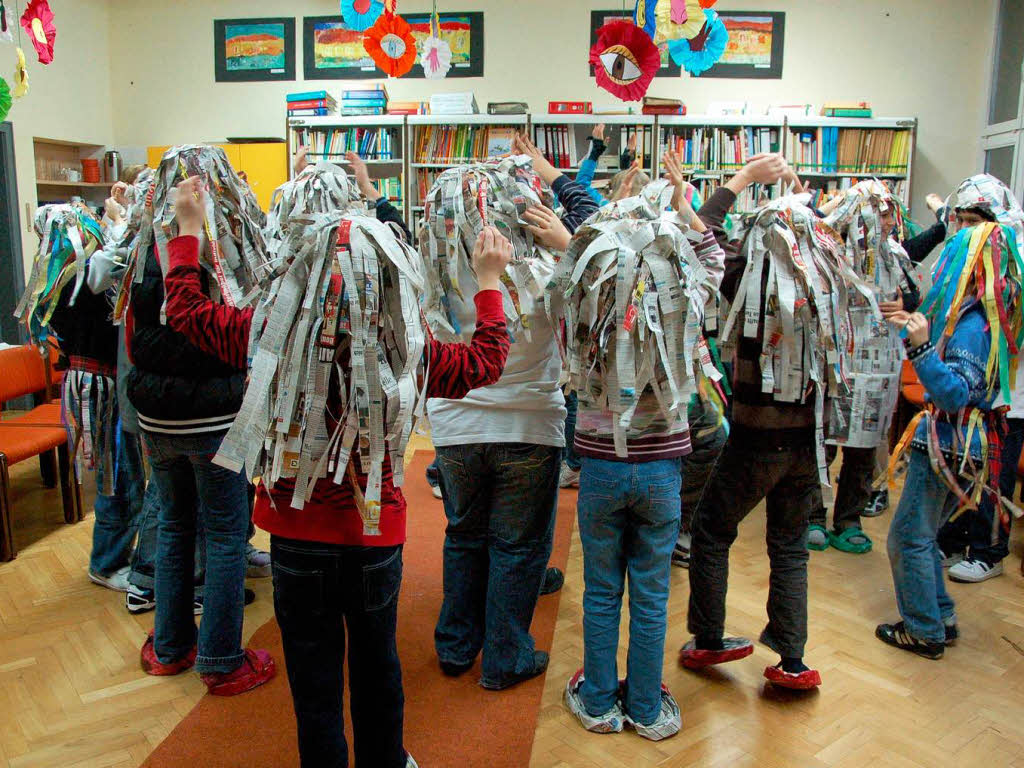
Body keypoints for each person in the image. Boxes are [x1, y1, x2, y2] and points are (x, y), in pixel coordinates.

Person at [165, 169, 513, 768]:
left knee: (312, 678)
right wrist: (488, 282)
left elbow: (188, 311)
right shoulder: (411, 350)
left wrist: (189, 230)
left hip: (294, 541)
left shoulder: (264, 333)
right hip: (375, 539)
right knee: (379, 666)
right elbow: (486, 360)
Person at [562, 150, 724, 740]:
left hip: (601, 471)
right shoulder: (686, 293)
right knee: (651, 594)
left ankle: (601, 701)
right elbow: (713, 258)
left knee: (602, 590)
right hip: (662, 473)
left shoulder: (586, 293)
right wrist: (680, 203)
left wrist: (611, 208)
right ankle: (649, 711)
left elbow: (584, 250)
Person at [428, 136, 597, 690]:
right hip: (530, 427)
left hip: (456, 428)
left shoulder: (433, 272)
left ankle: (455, 646)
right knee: (519, 547)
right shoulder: (552, 268)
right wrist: (568, 239)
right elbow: (598, 293)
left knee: (464, 535)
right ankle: (505, 659)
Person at [681, 165, 845, 691]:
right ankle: (793, 663)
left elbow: (705, 229)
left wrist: (744, 177)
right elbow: (817, 233)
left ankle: (709, 638)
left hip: (756, 438)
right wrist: (801, 206)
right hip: (809, 443)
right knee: (790, 546)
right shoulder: (828, 278)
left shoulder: (746, 275)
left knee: (710, 531)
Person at [127, 146, 275, 696]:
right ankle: (220, 659)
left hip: (155, 418)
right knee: (225, 532)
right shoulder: (228, 253)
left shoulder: (144, 247)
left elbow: (137, 336)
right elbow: (239, 336)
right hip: (213, 419)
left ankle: (169, 648)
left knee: (173, 524)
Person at [879, 218, 1023, 658]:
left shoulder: (973, 322)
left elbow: (955, 392)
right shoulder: (989, 315)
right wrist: (914, 327)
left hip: (950, 441)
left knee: (908, 537)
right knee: (923, 535)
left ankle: (924, 630)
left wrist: (920, 348)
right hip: (966, 443)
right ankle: (939, 613)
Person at [18, 204, 146, 592]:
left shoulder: (72, 276)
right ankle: (106, 563)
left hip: (103, 383)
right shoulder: (71, 281)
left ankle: (118, 554)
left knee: (125, 477)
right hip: (97, 387)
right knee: (117, 479)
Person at [807, 181, 918, 554]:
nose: (885, 222)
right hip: (836, 364)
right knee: (823, 444)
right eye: (877, 213)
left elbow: (914, 297)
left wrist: (904, 302)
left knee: (863, 448)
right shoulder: (830, 250)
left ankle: (849, 518)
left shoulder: (895, 254)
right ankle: (813, 516)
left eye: (888, 214)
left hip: (879, 367)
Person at [933, 174, 1024, 582]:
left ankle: (990, 550)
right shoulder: (959, 257)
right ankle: (954, 541)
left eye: (976, 220)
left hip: (1009, 398)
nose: (968, 229)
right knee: (963, 468)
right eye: (963, 220)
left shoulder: (1014, 262)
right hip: (970, 392)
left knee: (995, 473)